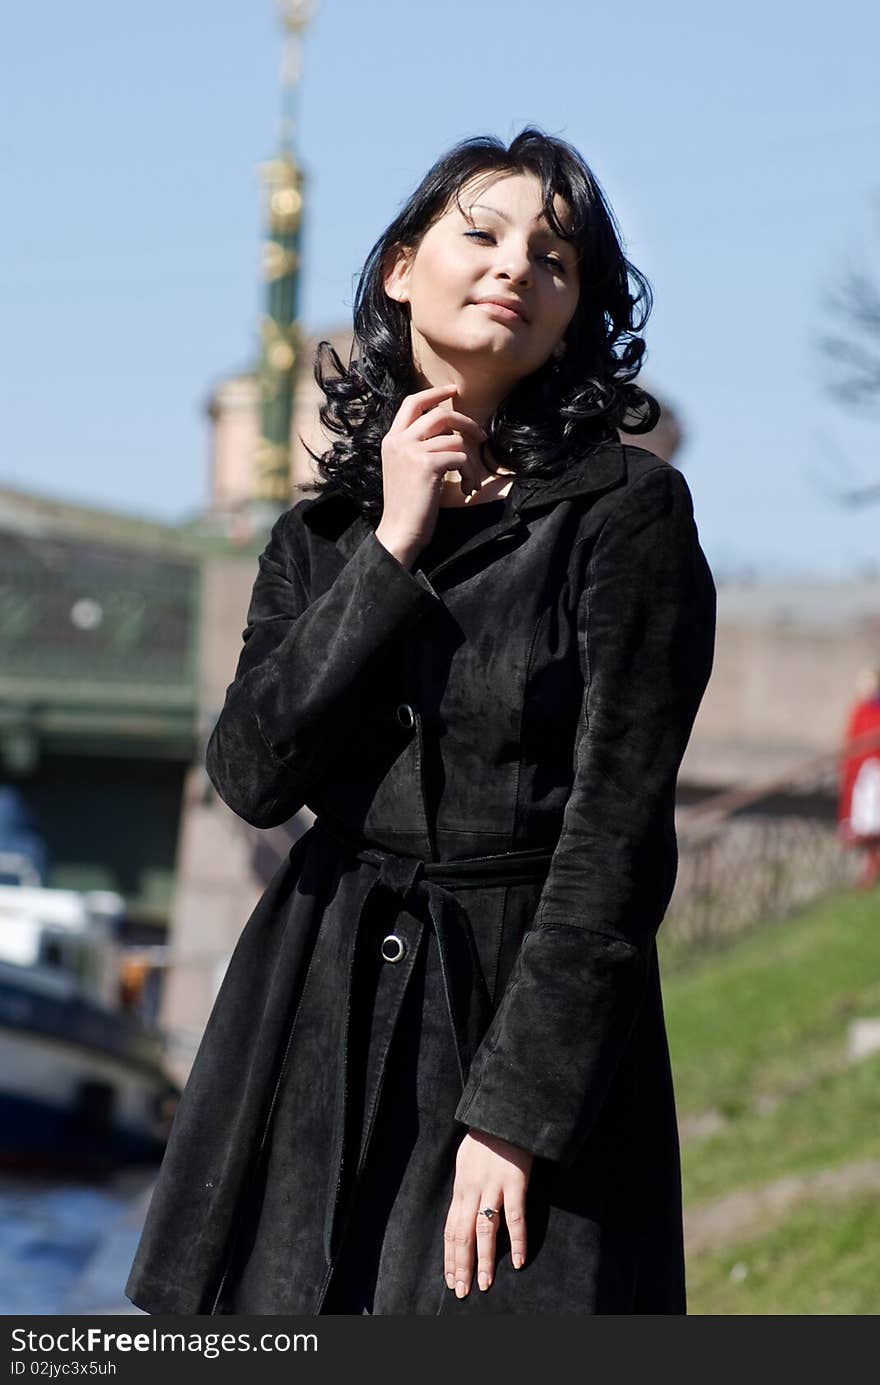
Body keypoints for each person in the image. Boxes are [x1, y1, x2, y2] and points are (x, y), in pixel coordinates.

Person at [125, 126, 716, 1317]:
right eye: (482, 233)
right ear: (401, 267)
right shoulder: (323, 534)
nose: (517, 269)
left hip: (514, 1013)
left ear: (571, 317)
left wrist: (516, 1112)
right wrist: (390, 546)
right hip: (314, 1010)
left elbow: (616, 836)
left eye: (555, 260)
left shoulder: (625, 514)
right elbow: (251, 772)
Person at [838, 666, 880, 890]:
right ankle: (870, 868)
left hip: (874, 774)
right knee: (864, 825)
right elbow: (851, 741)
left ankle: (872, 868)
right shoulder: (859, 710)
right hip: (861, 775)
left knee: (872, 824)